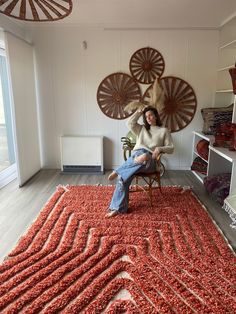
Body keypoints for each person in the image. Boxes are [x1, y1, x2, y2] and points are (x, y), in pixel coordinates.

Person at [106, 105, 174, 217]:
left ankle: (119, 170)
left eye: (151, 115)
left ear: (156, 116)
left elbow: (171, 148)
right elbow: (129, 123)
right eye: (146, 116)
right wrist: (138, 112)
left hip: (151, 161)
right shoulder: (142, 129)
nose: (148, 118)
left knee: (145, 155)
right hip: (138, 157)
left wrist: (160, 149)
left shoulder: (164, 131)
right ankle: (118, 209)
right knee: (123, 178)